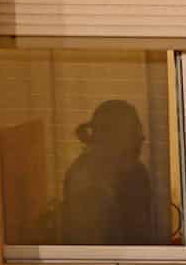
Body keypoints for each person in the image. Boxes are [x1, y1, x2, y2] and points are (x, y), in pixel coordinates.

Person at [62, 100, 156, 245]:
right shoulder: (83, 182)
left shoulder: (137, 173)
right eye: (135, 131)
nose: (142, 138)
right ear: (115, 136)